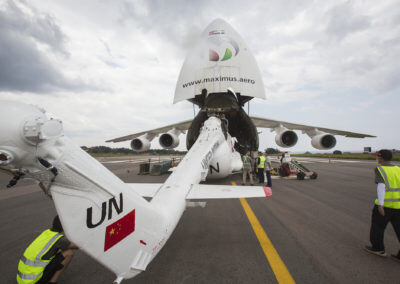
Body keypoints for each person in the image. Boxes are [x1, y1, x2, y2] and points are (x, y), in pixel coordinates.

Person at [17, 216, 78, 284]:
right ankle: (52, 282)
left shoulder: (46, 232)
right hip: (33, 281)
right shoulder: (58, 239)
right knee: (68, 253)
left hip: (22, 280)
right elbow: (78, 246)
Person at [364, 149, 400, 262]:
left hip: (386, 205)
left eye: (378, 157)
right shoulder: (398, 169)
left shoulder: (380, 169)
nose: (377, 159)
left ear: (381, 158)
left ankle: (378, 249)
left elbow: (381, 187)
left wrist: (380, 204)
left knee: (378, 227)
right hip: (398, 205)